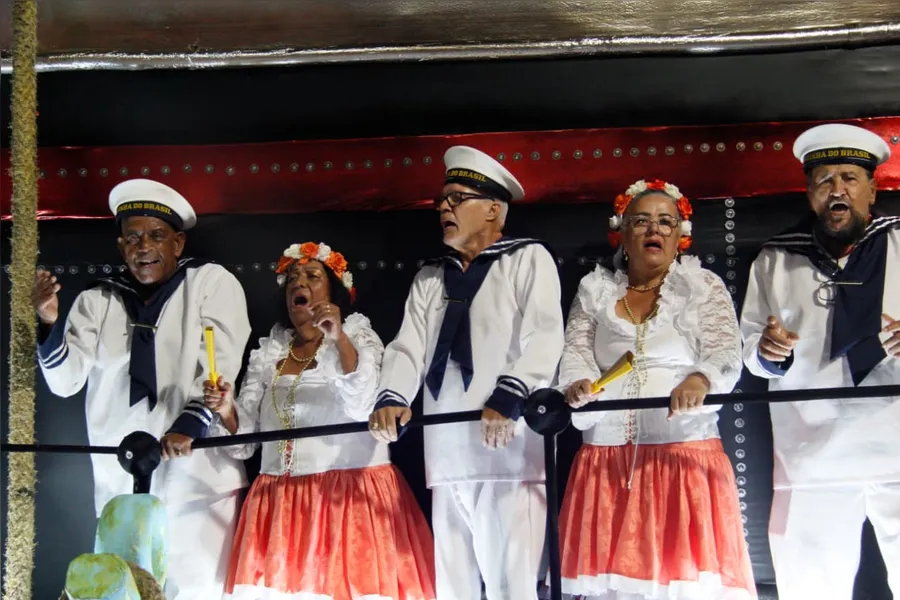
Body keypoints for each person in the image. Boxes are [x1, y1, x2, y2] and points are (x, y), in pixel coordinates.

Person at [33, 179, 251, 599]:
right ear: (120, 248)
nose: (143, 247)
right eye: (132, 238)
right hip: (119, 483)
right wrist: (47, 322)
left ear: (178, 242)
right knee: (123, 591)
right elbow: (65, 382)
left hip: (197, 481)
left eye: (156, 236)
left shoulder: (210, 282)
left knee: (197, 590)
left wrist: (193, 421)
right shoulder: (98, 299)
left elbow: (219, 362)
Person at [368, 146, 565, 600]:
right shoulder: (431, 278)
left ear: (494, 208)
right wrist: (393, 395)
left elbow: (545, 335)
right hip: (446, 449)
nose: (443, 208)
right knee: (453, 587)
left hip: (507, 450)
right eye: (443, 200)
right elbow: (407, 347)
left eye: (457, 199)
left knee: (509, 588)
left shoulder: (526, 259)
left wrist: (510, 395)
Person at [189, 241, 435, 600]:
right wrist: (226, 408)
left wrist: (338, 339)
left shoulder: (358, 336)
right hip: (277, 505)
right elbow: (244, 444)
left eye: (311, 275)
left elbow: (364, 405)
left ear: (332, 290)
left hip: (348, 500)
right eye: (292, 278)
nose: (298, 283)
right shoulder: (270, 350)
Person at [557, 179, 756, 599]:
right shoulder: (594, 292)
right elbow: (575, 353)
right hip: (605, 464)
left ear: (680, 236)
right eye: (642, 220)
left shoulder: (702, 286)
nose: (655, 229)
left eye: (667, 221)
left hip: (681, 459)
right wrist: (576, 384)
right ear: (622, 232)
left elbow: (725, 353)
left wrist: (700, 380)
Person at [739, 123, 900, 599]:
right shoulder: (776, 259)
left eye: (849, 178)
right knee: (810, 586)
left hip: (898, 447)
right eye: (825, 180)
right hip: (811, 454)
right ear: (809, 192)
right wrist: (768, 355)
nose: (838, 191)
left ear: (873, 188)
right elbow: (751, 352)